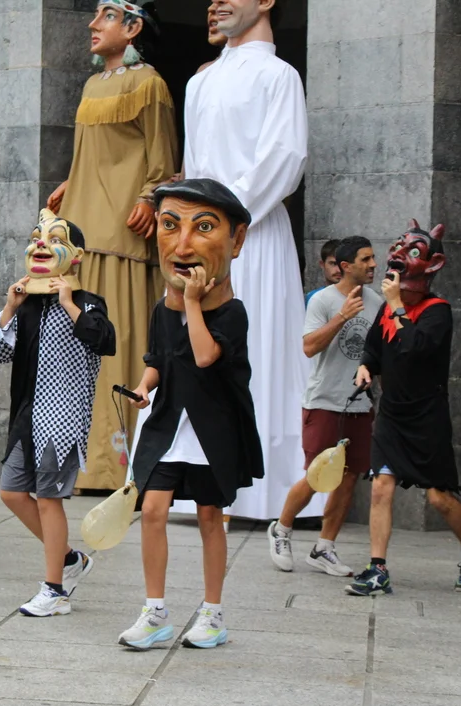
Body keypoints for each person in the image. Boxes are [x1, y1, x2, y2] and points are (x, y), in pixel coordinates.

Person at [118, 179, 262, 650]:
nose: (182, 246)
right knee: (152, 509)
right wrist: (144, 387)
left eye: (202, 228)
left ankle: (213, 614)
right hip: (169, 425)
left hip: (211, 430)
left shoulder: (233, 313)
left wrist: (194, 304)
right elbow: (159, 359)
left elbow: (203, 356)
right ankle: (154, 611)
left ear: (236, 240)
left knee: (209, 516)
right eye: (169, 225)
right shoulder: (163, 311)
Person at [183, 0, 311, 522]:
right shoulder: (199, 82)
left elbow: (285, 157)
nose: (215, 4)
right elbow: (193, 163)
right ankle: (191, 474)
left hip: (251, 231)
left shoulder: (280, 76)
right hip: (202, 234)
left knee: (257, 348)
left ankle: (263, 487)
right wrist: (190, 224)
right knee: (194, 345)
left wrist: (222, 217)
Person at [48, 0, 179, 492]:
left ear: (133, 26)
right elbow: (91, 154)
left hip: (124, 230)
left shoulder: (149, 83)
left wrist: (150, 195)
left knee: (117, 343)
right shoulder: (90, 85)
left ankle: (117, 462)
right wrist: (72, 181)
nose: (92, 24)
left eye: (106, 15)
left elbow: (162, 155)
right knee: (79, 346)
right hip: (83, 226)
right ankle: (79, 460)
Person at [348, 220, 461, 596]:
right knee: (381, 487)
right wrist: (365, 366)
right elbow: (375, 346)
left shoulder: (437, 312)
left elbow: (414, 347)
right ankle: (377, 569)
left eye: (411, 251)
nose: (397, 257)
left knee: (439, 498)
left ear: (431, 265)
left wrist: (397, 305)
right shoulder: (386, 308)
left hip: (427, 417)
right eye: (398, 247)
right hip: (392, 414)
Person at [0, 209, 116, 616]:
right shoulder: (27, 305)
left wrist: (69, 303)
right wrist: (10, 307)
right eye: (36, 237)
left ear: (75, 256)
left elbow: (103, 341)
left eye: (55, 239)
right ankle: (70, 559)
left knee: (47, 499)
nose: (41, 244)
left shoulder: (88, 303)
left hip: (61, 419)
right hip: (26, 415)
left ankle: (55, 590)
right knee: (11, 492)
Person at [268, 236, 381, 576]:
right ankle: (281, 529)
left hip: (359, 404)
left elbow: (379, 352)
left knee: (349, 478)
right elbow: (309, 347)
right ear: (346, 266)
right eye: (366, 259)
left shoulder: (377, 302)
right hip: (324, 402)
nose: (374, 265)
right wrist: (342, 316)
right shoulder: (322, 300)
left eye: (373, 258)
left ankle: (324, 547)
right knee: (318, 475)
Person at [306, 239, 342, 307]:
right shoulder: (313, 297)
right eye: (333, 264)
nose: (338, 270)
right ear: (322, 264)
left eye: (342, 264)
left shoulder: (358, 296)